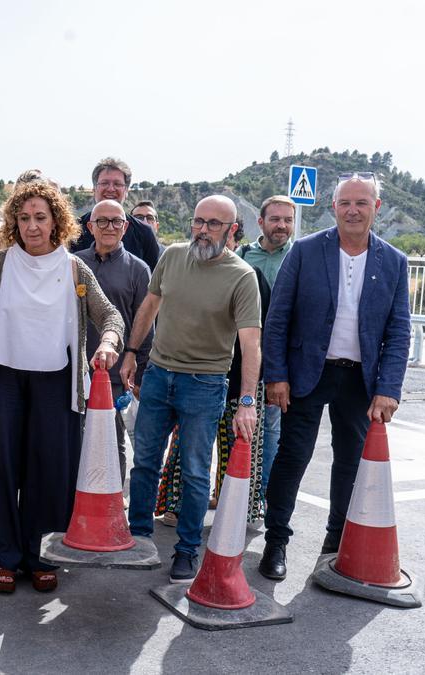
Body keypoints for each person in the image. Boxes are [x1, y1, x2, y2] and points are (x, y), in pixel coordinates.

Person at [0, 181, 124, 594]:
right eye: (24, 218)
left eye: (40, 217)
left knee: (49, 468)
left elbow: (110, 316)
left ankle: (41, 556)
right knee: (1, 466)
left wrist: (108, 343)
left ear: (56, 221)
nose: (32, 227)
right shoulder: (2, 263)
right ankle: (5, 556)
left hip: (58, 380)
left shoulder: (74, 268)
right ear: (13, 222)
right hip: (5, 377)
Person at [258, 174, 411, 581]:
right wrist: (276, 375)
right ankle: (276, 541)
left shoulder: (394, 262)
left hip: (360, 380)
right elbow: (278, 319)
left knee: (349, 463)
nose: (353, 210)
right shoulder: (306, 252)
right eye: (345, 203)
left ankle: (334, 543)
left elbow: (399, 331)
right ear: (334, 207)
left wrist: (388, 389)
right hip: (307, 374)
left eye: (362, 203)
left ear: (376, 207)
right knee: (292, 458)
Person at [121, 195, 261, 583]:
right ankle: (139, 538)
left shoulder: (241, 275)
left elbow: (251, 343)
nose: (202, 230)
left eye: (213, 224)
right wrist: (132, 352)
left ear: (232, 230)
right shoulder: (173, 256)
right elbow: (149, 306)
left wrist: (247, 400)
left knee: (197, 472)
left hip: (205, 383)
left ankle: (186, 551)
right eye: (198, 221)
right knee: (145, 461)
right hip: (159, 376)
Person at [74, 199, 152, 483]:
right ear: (90, 227)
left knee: (113, 436)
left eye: (116, 221)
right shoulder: (74, 263)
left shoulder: (138, 269)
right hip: (75, 369)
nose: (109, 227)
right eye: (102, 221)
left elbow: (145, 325)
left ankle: (113, 495)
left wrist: (139, 371)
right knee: (74, 435)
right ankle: (75, 495)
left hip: (116, 371)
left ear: (125, 227)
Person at [238, 195, 296, 492]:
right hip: (246, 354)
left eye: (288, 220)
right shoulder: (243, 255)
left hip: (281, 358)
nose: (282, 225)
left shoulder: (299, 256)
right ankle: (231, 488)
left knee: (271, 428)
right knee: (239, 425)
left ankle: (262, 495)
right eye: (275, 219)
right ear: (261, 222)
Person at [73, 158, 161, 269]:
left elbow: (151, 280)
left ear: (126, 191)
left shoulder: (144, 233)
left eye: (117, 184)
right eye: (104, 183)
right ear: (94, 189)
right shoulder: (74, 230)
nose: (111, 189)